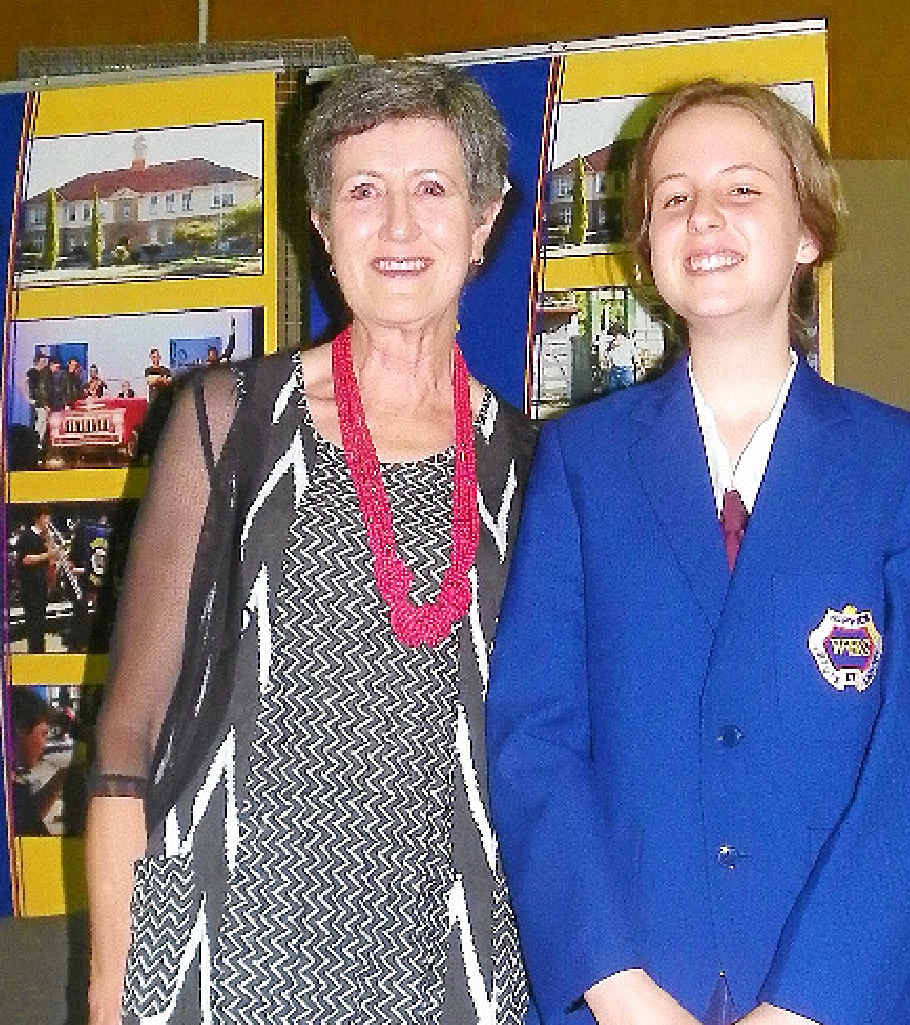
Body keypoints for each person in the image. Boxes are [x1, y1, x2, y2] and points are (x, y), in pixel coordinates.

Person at [487, 78, 910, 1025]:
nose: (702, 214)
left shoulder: (901, 464)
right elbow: (533, 739)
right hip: (624, 1000)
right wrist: (617, 987)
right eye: (671, 197)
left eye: (741, 188)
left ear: (808, 231)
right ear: (647, 249)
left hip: (845, 1001)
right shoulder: (580, 465)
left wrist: (807, 1005)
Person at [86, 58, 535, 1025]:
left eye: (431, 189)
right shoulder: (226, 423)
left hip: (448, 959)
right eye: (363, 192)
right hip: (220, 954)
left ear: (483, 221)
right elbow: (127, 740)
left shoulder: (536, 468)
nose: (401, 226)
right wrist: (109, 993)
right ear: (324, 229)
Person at [11, 688, 66, 835]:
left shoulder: (11, 786)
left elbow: (27, 816)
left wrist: (60, 778)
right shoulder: (9, 788)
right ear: (20, 729)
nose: (44, 744)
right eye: (43, 734)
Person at [16, 507, 57, 653]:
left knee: (40, 622)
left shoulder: (44, 537)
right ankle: (35, 653)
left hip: (42, 585)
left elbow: (51, 559)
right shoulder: (27, 536)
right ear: (39, 518)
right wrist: (48, 554)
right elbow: (26, 560)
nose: (49, 521)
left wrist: (49, 542)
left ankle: (40, 652)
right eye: (47, 517)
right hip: (30, 587)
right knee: (33, 623)